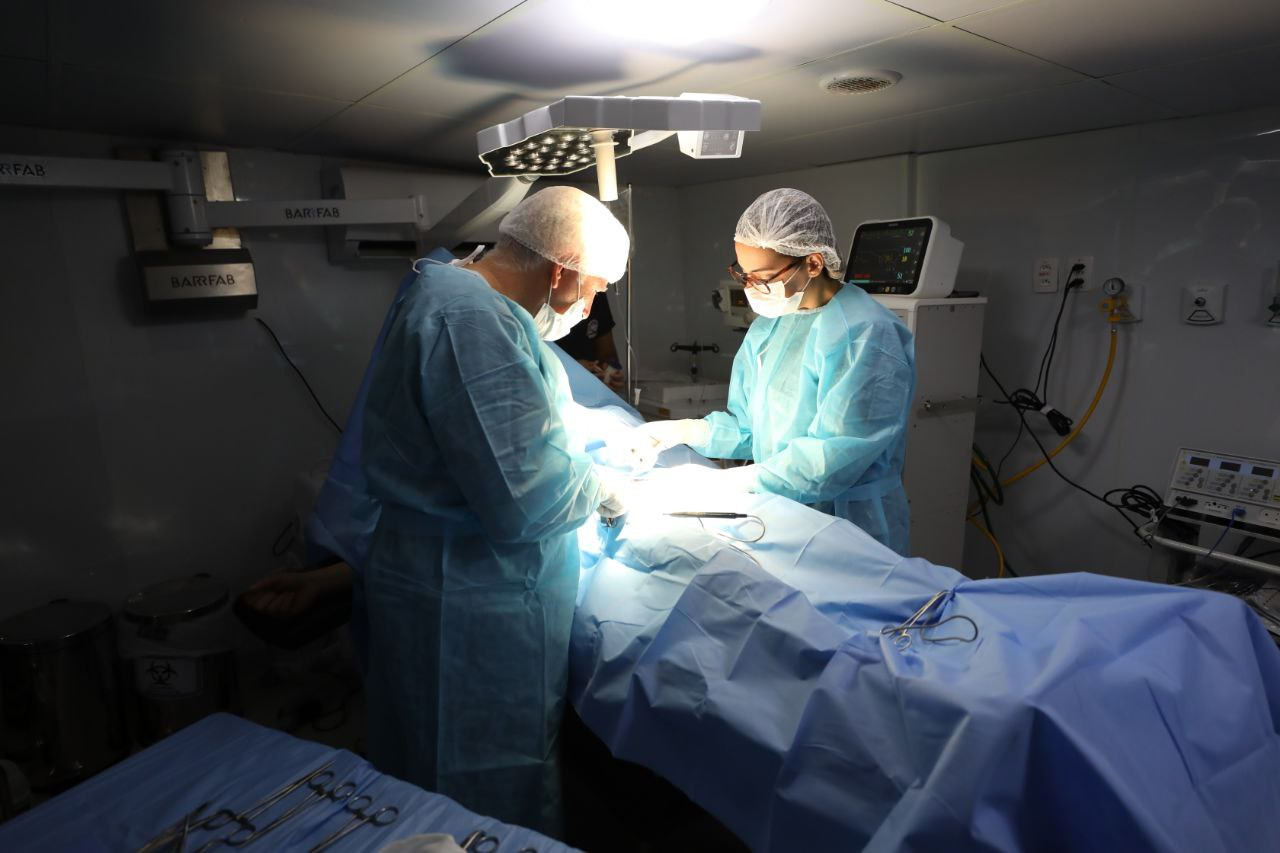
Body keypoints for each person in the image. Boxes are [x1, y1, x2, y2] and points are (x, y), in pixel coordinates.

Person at [358, 186, 630, 833]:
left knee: (422, 773)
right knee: (475, 787)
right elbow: (526, 498)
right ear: (559, 271)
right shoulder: (471, 321)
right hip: (469, 604)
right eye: (593, 289)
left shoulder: (455, 297)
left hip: (442, 578)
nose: (590, 306)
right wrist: (598, 487)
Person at [612, 188, 916, 554]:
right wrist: (682, 431)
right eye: (743, 274)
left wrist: (725, 483)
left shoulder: (866, 334)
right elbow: (748, 427)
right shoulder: (770, 326)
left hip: (850, 525)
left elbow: (829, 463)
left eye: (763, 276)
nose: (750, 287)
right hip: (781, 512)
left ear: (813, 263)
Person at [555, 294, 624, 391]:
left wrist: (610, 372)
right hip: (555, 388)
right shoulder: (547, 306)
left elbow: (607, 353)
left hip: (592, 389)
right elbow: (537, 363)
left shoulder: (598, 295)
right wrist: (571, 369)